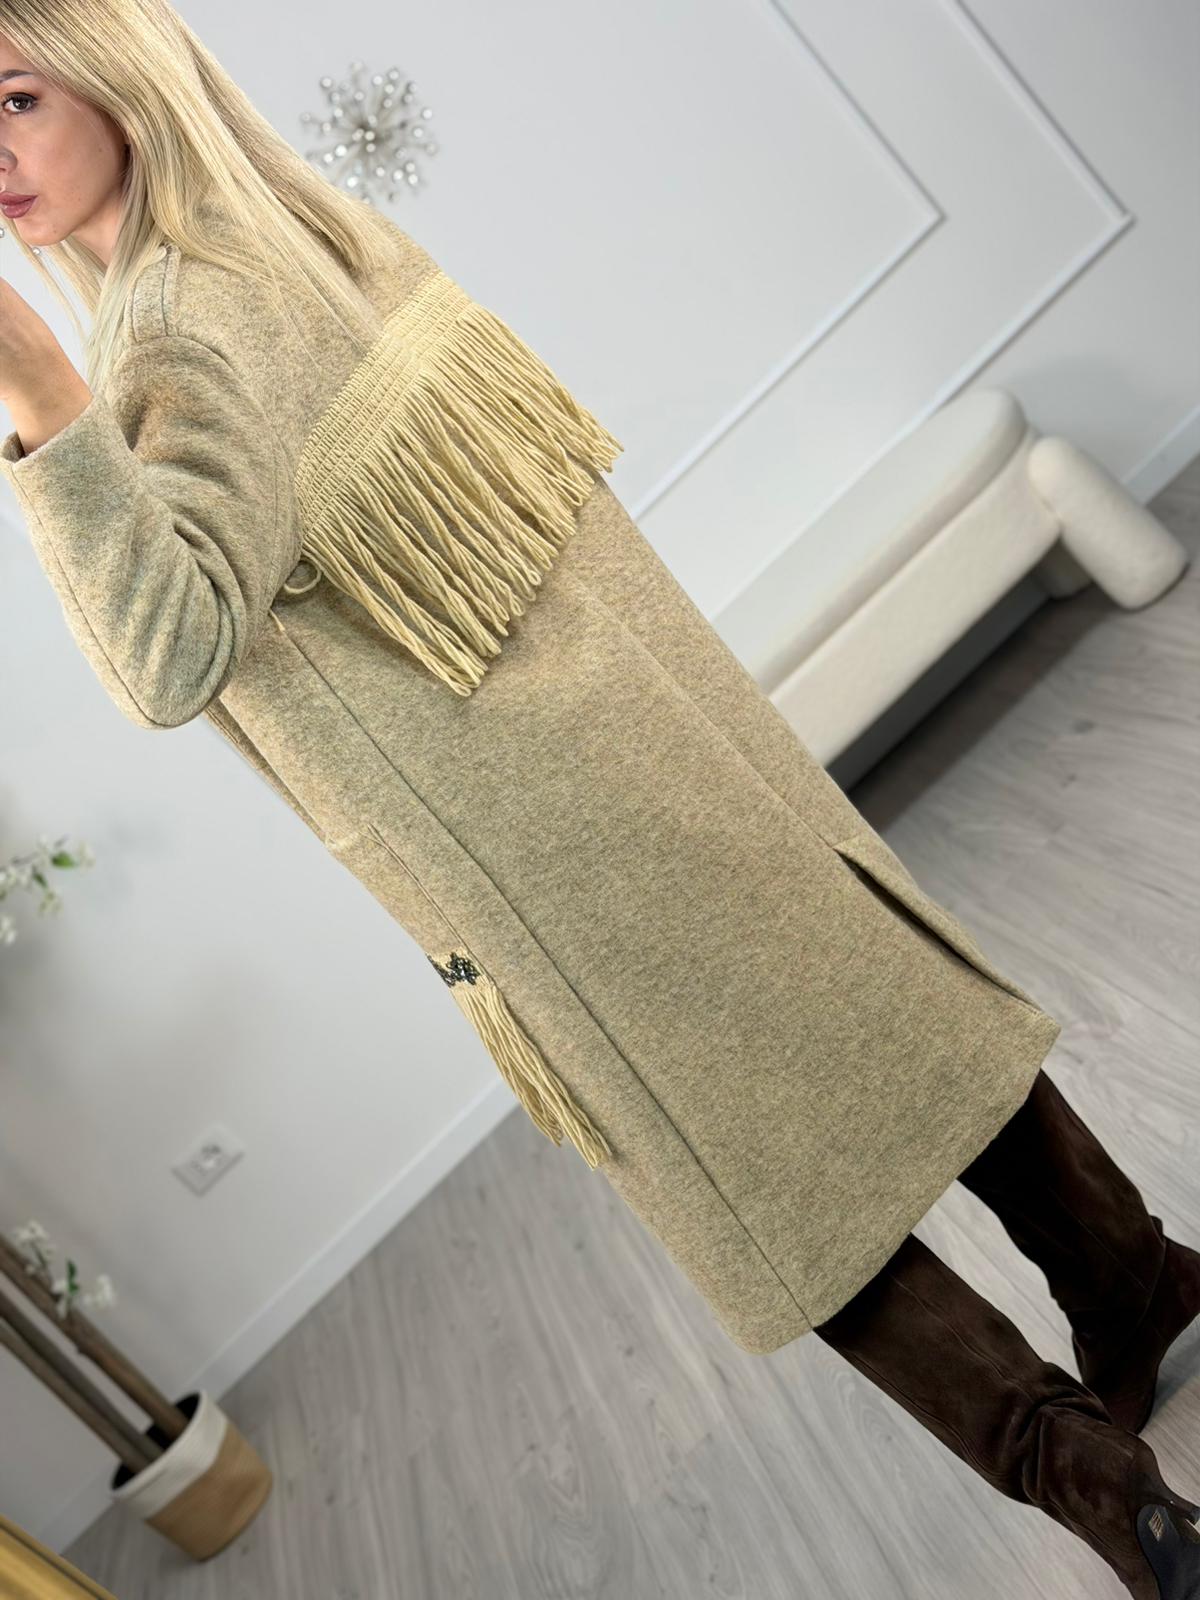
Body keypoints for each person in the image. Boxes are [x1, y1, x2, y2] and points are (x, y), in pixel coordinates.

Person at [0, 5, 1196, 1594]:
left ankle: (1105, 1492)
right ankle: (1132, 1278)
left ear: (117, 76)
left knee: (752, 1189)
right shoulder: (300, 231)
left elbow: (165, 654)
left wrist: (41, 391)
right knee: (879, 1009)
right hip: (646, 727)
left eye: (15, 96)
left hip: (528, 845)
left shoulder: (163, 339)